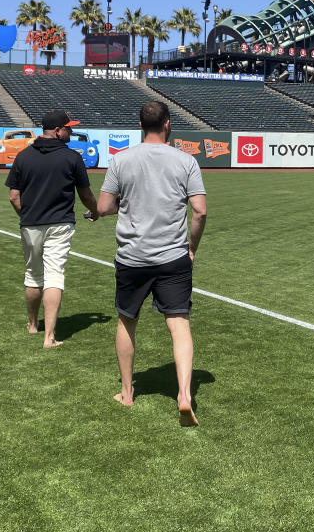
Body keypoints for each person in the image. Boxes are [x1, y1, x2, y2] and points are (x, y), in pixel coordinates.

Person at [96, 101, 207, 426]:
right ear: (168, 124)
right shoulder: (186, 161)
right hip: (173, 256)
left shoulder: (121, 159)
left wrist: (122, 204)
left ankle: (127, 393)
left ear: (140, 125)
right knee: (179, 325)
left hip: (132, 257)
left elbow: (104, 206)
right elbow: (199, 211)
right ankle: (184, 395)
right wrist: (191, 247)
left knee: (127, 321)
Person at [5, 109, 99, 348]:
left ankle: (33, 324)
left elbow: (14, 197)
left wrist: (25, 214)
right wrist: (96, 211)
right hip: (60, 223)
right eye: (68, 127)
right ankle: (50, 337)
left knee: (33, 276)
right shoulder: (72, 158)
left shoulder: (23, 156)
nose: (71, 131)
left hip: (31, 224)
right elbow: (85, 195)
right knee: (55, 276)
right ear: (57, 131)